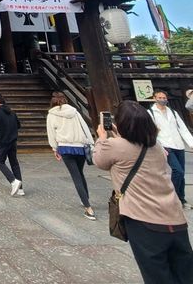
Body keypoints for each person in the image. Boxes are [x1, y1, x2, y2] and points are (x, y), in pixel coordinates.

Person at [94, 100, 193, 284]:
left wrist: (102, 137)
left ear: (122, 124)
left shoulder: (114, 146)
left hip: (143, 220)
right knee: (185, 274)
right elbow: (131, 148)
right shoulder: (157, 147)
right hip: (175, 219)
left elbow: (100, 160)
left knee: (156, 275)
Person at [46, 91, 95, 219]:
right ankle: (85, 197)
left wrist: (54, 148)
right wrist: (91, 142)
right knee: (80, 173)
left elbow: (51, 133)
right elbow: (84, 127)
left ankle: (88, 208)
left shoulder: (51, 115)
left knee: (76, 176)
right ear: (65, 100)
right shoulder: (74, 111)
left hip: (65, 146)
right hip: (80, 146)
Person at [149, 90, 193, 206]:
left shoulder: (173, 112)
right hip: (165, 145)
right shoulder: (151, 113)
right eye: (160, 97)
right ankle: (171, 197)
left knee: (182, 173)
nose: (162, 99)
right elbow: (151, 132)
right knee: (177, 171)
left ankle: (181, 198)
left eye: (164, 97)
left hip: (178, 144)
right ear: (154, 98)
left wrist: (191, 143)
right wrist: (157, 145)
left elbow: (182, 128)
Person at [0, 94, 24, 196]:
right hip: (13, 140)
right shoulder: (12, 112)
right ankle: (21, 189)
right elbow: (18, 125)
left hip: (3, 141)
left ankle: (13, 181)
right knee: (14, 163)